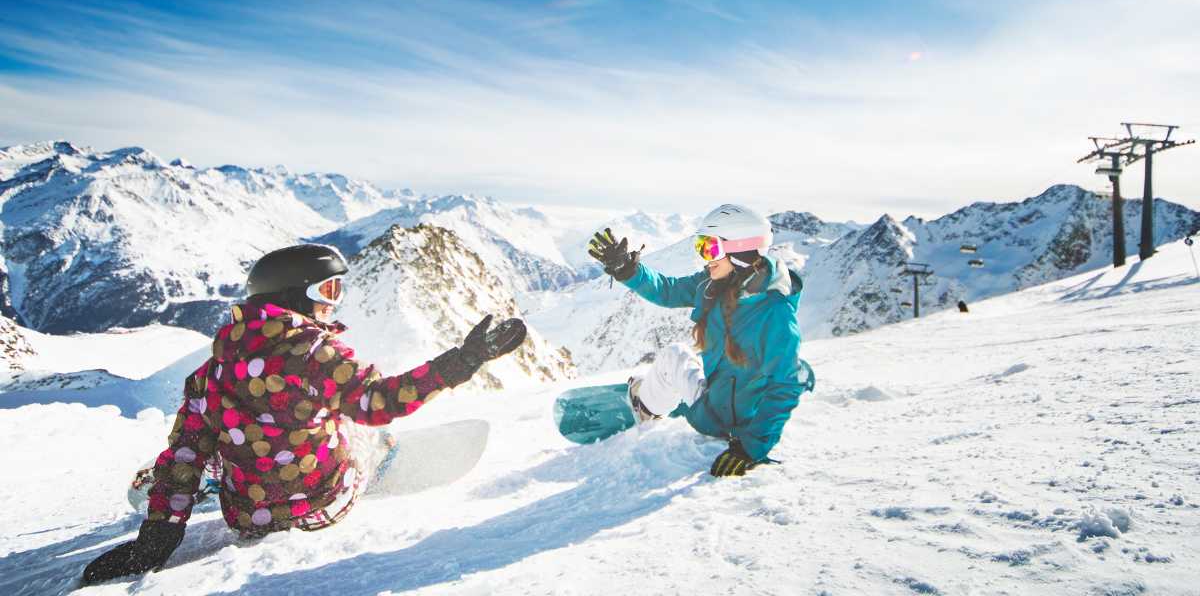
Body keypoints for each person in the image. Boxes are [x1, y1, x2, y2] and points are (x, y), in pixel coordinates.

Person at [83, 243, 526, 584]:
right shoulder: (315, 353)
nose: (332, 303)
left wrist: (156, 542)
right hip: (320, 504)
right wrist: (463, 361)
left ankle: (222, 473)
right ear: (294, 295)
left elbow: (183, 453)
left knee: (217, 430)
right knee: (351, 419)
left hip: (246, 517)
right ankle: (378, 460)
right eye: (327, 291)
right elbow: (379, 402)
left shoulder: (215, 366)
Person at [588, 204, 813, 478]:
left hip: (728, 422)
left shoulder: (774, 312)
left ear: (740, 250)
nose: (705, 258)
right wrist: (628, 270)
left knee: (675, 356)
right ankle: (670, 396)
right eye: (701, 247)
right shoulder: (718, 283)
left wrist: (750, 449)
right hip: (720, 399)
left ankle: (645, 404)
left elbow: (785, 386)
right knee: (684, 356)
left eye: (711, 248)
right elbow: (668, 291)